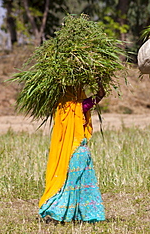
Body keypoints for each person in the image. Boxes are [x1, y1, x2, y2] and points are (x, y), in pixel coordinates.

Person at [39, 84, 106, 223]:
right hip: (75, 151)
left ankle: (77, 213)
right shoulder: (70, 106)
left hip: (75, 149)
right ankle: (61, 211)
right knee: (73, 183)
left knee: (74, 183)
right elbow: (86, 105)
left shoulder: (65, 105)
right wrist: (99, 91)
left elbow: (85, 105)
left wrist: (99, 92)